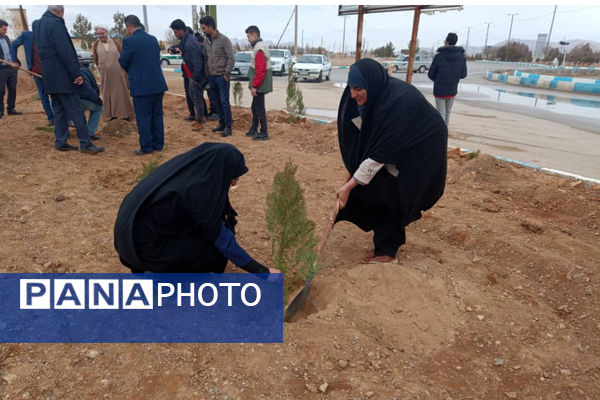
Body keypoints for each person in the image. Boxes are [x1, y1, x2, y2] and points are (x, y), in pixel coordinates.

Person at [335, 59, 448, 263]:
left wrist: (348, 186)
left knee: (393, 192)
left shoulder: (397, 104)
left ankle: (386, 250)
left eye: (358, 89)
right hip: (396, 144)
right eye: (350, 88)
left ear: (370, 84)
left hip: (422, 150)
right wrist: (352, 169)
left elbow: (377, 157)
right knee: (377, 185)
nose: (352, 95)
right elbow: (365, 141)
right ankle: (382, 245)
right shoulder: (373, 97)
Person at [114, 142, 280, 275]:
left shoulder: (184, 173)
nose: (234, 182)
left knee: (218, 225)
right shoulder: (198, 193)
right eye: (233, 177)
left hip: (127, 241)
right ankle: (169, 280)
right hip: (143, 251)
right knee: (213, 250)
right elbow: (220, 238)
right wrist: (262, 272)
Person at [33, 6, 104, 154]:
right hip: (62, 76)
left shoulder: (37, 24)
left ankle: (61, 141)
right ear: (60, 11)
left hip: (49, 76)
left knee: (59, 111)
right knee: (76, 111)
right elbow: (64, 50)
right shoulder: (56, 23)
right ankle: (85, 143)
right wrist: (75, 73)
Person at [119, 14, 168, 155]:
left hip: (141, 86)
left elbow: (123, 62)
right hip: (157, 84)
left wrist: (134, 71)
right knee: (157, 116)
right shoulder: (153, 39)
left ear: (128, 26)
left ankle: (146, 147)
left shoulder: (129, 41)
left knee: (143, 118)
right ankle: (158, 144)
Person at [10, 26, 53, 124]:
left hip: (51, 72)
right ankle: (51, 118)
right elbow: (14, 45)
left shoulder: (50, 36)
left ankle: (60, 118)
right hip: (36, 72)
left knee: (56, 95)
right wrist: (14, 61)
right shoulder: (27, 35)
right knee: (43, 95)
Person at [200, 16, 234, 137]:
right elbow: (205, 58)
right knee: (216, 102)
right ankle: (222, 123)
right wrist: (206, 73)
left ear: (210, 27)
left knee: (224, 102)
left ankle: (228, 127)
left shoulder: (224, 40)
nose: (203, 30)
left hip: (222, 77)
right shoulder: (206, 41)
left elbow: (231, 58)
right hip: (212, 77)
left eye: (204, 28)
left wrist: (226, 74)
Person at [92, 24, 134, 121]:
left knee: (121, 92)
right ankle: (111, 115)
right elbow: (96, 59)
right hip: (105, 75)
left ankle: (125, 114)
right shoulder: (96, 45)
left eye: (102, 33)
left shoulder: (116, 42)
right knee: (107, 93)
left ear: (107, 32)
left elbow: (123, 56)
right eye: (98, 34)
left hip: (118, 73)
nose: (100, 36)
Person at [170, 19, 206, 131]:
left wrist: (195, 77)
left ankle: (199, 121)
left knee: (197, 97)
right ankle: (200, 117)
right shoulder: (185, 40)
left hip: (195, 75)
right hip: (191, 74)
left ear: (181, 30)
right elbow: (179, 48)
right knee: (193, 96)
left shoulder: (190, 43)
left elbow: (197, 61)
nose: (175, 35)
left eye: (176, 32)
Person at [427, 32, 467, 126]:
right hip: (452, 90)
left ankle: (440, 133)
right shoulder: (461, 57)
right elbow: (463, 74)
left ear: (447, 42)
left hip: (439, 90)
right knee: (448, 112)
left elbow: (431, 74)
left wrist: (437, 80)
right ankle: (445, 130)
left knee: (441, 112)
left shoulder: (439, 56)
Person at [245, 25, 272, 141]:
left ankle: (264, 132)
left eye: (248, 36)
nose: (248, 39)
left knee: (259, 108)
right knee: (254, 107)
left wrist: (255, 86)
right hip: (259, 83)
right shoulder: (259, 46)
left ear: (254, 35)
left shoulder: (259, 48)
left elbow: (260, 70)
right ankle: (254, 128)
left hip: (259, 84)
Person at [0, 19, 21, 118]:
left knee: (12, 89)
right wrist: (9, 63)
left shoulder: (7, 38)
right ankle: (0, 111)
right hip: (1, 70)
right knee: (1, 90)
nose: (5, 31)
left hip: (11, 69)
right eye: (4, 30)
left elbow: (11, 52)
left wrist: (16, 63)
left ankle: (11, 109)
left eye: (6, 30)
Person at [78, 63, 103, 140]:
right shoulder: (86, 71)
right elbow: (93, 88)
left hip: (68, 100)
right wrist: (97, 100)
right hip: (84, 98)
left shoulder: (63, 70)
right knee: (98, 108)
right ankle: (90, 132)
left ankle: (64, 132)